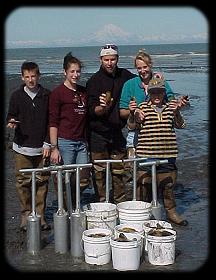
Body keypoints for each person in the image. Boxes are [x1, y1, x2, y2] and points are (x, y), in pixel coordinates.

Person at [128, 77, 188, 226]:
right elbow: (130, 126)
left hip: (168, 154)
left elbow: (181, 125)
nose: (156, 96)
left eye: (160, 93)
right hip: (146, 155)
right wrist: (133, 114)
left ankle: (171, 212)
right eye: (153, 93)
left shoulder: (170, 108)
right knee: (144, 186)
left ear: (164, 93)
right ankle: (143, 216)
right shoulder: (142, 107)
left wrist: (177, 113)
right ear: (149, 93)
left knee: (168, 186)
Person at [86, 43, 136, 203]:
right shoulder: (94, 81)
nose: (109, 63)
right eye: (106, 59)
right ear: (100, 60)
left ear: (117, 59)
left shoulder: (125, 75)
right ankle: (102, 203)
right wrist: (103, 107)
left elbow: (141, 82)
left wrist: (155, 78)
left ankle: (119, 203)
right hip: (97, 133)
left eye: (112, 59)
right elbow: (91, 111)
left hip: (117, 132)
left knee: (119, 171)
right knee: (99, 172)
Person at [6, 61, 51, 232]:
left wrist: (48, 143)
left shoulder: (47, 95)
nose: (31, 80)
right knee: (22, 183)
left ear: (38, 76)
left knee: (42, 182)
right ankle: (25, 215)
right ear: (22, 77)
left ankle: (40, 216)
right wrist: (11, 122)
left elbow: (51, 121)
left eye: (33, 76)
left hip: (42, 148)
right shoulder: (16, 96)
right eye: (27, 77)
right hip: (21, 148)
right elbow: (11, 115)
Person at [120, 49, 188, 158]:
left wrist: (179, 104)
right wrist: (134, 111)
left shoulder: (161, 82)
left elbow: (172, 103)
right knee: (137, 169)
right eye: (139, 68)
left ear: (150, 65)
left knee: (161, 167)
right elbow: (122, 111)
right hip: (135, 132)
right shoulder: (129, 84)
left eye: (145, 67)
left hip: (158, 132)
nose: (142, 71)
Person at [49, 52, 89, 209]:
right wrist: (54, 147)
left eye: (78, 71)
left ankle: (73, 202)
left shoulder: (83, 91)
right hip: (65, 141)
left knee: (83, 176)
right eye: (72, 71)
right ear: (65, 72)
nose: (76, 74)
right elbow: (52, 121)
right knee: (65, 177)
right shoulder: (57, 93)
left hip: (81, 142)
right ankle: (66, 209)